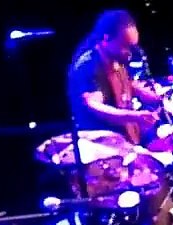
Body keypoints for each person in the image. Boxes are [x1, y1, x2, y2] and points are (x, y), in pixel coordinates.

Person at [67, 10, 163, 144]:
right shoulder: (89, 64)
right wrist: (136, 116)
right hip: (103, 147)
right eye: (125, 46)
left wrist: (141, 91)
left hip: (125, 140)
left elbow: (121, 84)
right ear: (106, 39)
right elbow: (94, 105)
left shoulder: (115, 57)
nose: (129, 53)